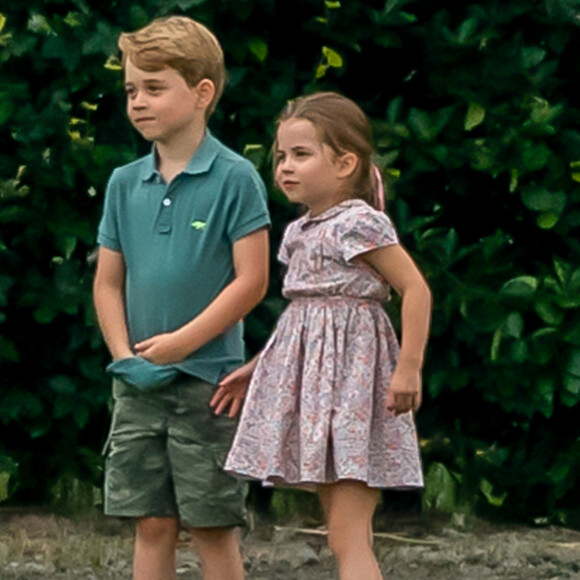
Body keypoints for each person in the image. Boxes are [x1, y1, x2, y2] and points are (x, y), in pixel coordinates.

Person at [211, 92, 431, 580]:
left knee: (347, 536)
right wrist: (259, 366)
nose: (285, 167)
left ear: (345, 162)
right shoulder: (300, 232)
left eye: (301, 155)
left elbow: (415, 288)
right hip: (319, 393)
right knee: (343, 532)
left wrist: (408, 366)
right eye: (281, 156)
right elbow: (301, 324)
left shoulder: (359, 224)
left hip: (352, 389)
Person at [92, 15, 270, 580]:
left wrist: (181, 344)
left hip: (208, 386)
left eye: (153, 88)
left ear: (202, 94)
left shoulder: (236, 177)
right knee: (151, 522)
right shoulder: (124, 182)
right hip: (137, 386)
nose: (138, 102)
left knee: (211, 524)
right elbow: (108, 280)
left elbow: (252, 281)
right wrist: (126, 355)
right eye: (130, 90)